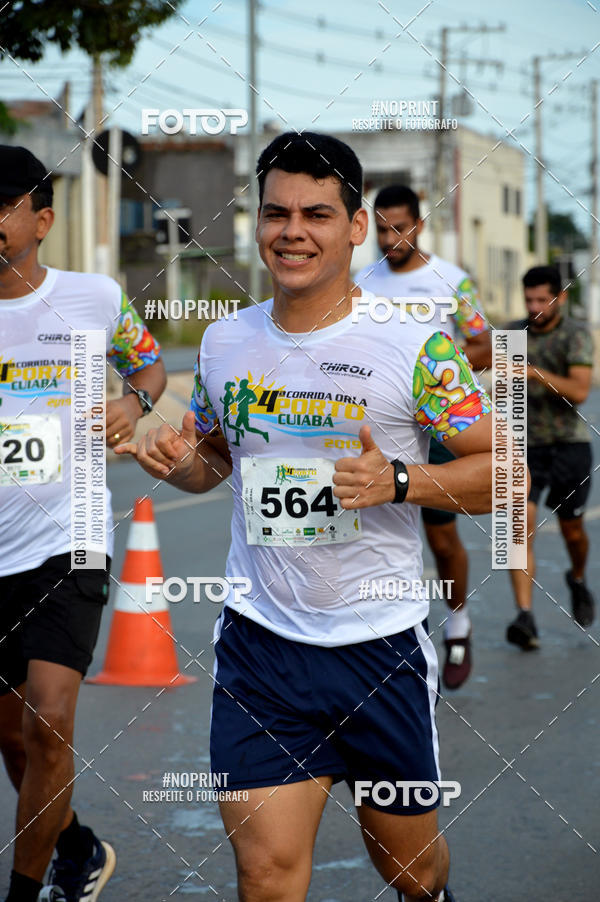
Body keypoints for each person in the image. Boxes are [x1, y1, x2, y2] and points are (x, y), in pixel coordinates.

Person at [117, 131, 493, 902]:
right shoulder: (226, 342)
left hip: (377, 649)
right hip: (262, 649)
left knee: (411, 872)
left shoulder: (418, 344)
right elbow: (217, 461)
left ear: (357, 227)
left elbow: (504, 473)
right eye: (277, 212)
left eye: (318, 214)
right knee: (266, 874)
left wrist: (395, 479)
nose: (294, 231)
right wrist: (175, 460)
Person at [0, 145, 166, 902]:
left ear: (42, 218)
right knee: (14, 739)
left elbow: (149, 366)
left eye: (3, 206)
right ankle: (73, 846)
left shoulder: (93, 298)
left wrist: (134, 402)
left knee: (50, 719)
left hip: (69, 541)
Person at [353, 185, 492, 690]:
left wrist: (435, 372)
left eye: (401, 227)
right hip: (370, 423)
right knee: (363, 527)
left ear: (420, 226)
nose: (391, 237)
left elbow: (483, 345)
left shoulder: (452, 281)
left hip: (433, 422)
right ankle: (370, 633)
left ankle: (458, 622)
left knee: (440, 535)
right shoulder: (361, 280)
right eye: (383, 227)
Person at [505, 265, 595, 649]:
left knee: (572, 531)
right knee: (517, 528)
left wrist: (535, 373)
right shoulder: (511, 333)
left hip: (569, 445)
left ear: (560, 298)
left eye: (543, 299)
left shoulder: (575, 334)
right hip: (524, 448)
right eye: (529, 300)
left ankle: (577, 578)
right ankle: (524, 617)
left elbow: (579, 391)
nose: (535, 307)